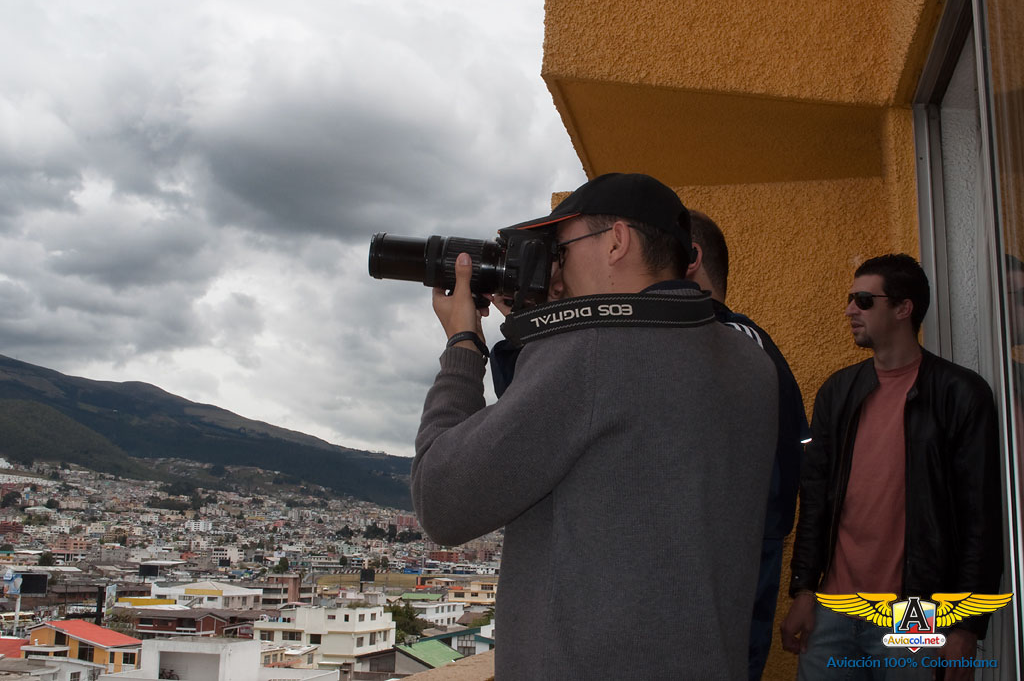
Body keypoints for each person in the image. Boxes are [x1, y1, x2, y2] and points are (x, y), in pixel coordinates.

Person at [413, 173, 778, 679]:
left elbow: (442, 501)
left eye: (561, 248)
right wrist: (548, 328)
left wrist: (463, 346)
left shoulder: (591, 354)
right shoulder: (750, 361)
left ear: (616, 241)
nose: (555, 269)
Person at [780, 254, 1002, 680]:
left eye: (864, 300)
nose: (849, 310)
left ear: (904, 308)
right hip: (834, 606)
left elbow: (981, 520)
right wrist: (804, 591)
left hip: (914, 610)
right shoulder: (838, 392)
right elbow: (815, 503)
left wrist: (966, 626)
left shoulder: (959, 394)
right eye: (850, 299)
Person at [687, 211, 809, 680]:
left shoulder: (730, 338)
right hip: (738, 550)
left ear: (692, 260)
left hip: (730, 556)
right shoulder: (751, 342)